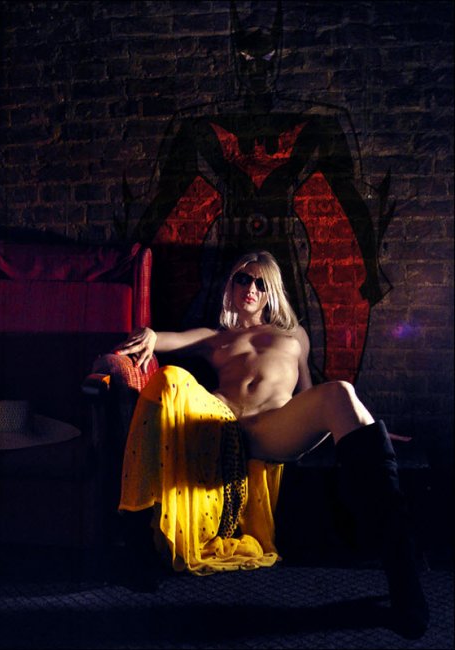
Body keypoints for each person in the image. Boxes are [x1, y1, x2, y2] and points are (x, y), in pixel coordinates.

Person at [115, 250, 428, 640]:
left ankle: (403, 577)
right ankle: (136, 536)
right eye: (243, 279)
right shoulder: (216, 337)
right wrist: (150, 335)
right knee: (171, 377)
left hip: (274, 427)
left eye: (261, 283)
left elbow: (310, 395)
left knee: (340, 392)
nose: (251, 287)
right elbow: (169, 341)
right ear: (231, 287)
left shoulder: (295, 337)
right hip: (221, 426)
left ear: (271, 293)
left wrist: (360, 426)